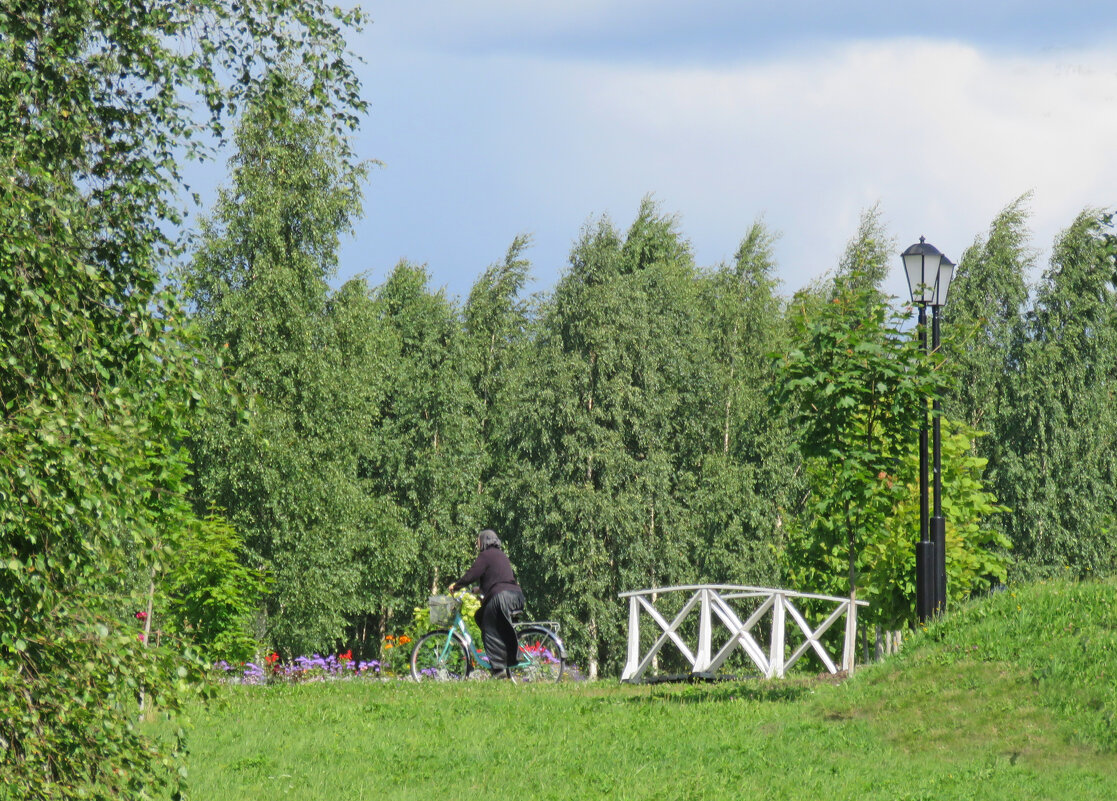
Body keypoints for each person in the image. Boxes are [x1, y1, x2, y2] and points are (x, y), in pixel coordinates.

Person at [448, 529, 525, 680]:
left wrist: (456, 585)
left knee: (488, 627)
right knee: (481, 616)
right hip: (515, 595)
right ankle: (502, 660)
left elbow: (473, 573)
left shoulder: (486, 555)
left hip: (502, 596)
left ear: (484, 541)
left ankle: (498, 670)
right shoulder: (501, 555)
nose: (477, 544)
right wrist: (480, 590)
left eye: (478, 541)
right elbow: (497, 577)